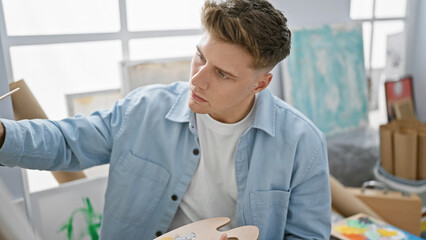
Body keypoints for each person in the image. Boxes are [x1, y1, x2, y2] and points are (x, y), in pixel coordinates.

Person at [0, 0, 331, 239]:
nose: (198, 80)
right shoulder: (143, 110)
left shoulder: (302, 143)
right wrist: (2, 134)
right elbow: (65, 142)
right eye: (200, 57)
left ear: (260, 83)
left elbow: (308, 236)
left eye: (222, 74)